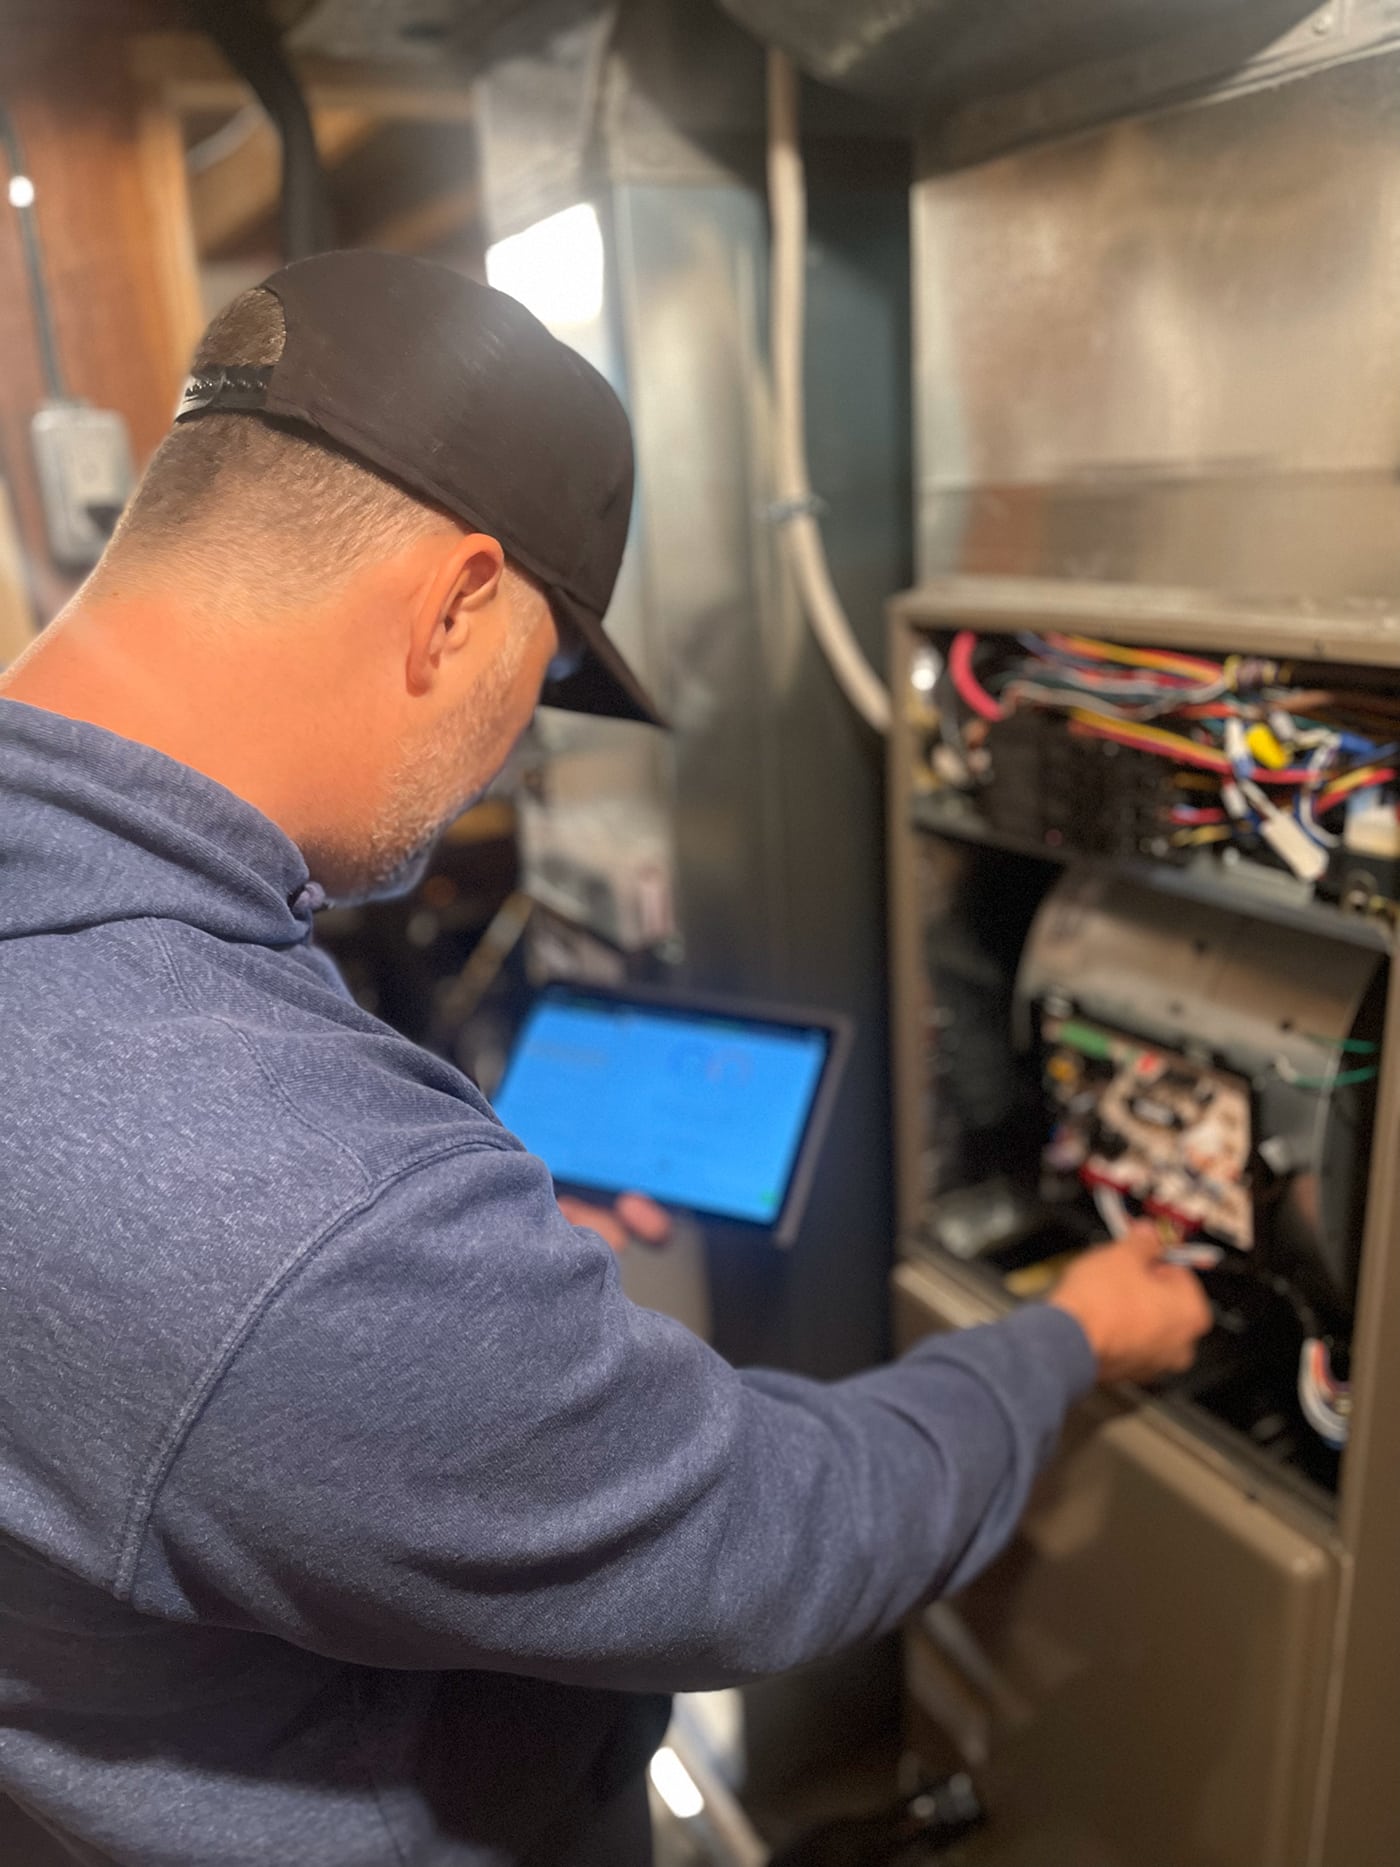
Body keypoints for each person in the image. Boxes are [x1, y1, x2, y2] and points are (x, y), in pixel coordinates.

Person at [0, 250, 1210, 1867]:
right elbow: (773, 1541)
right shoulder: (302, 1210)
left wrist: (465, 1308)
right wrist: (1068, 1338)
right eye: (549, 675)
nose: (517, 746)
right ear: (456, 602)